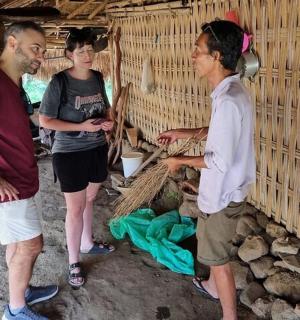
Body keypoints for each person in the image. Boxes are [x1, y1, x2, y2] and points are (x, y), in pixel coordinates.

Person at [157, 20, 255, 320]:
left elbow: (218, 160)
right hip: (230, 189)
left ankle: (229, 316)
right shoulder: (233, 91)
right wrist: (181, 133)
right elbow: (218, 135)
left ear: (216, 57)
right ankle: (212, 287)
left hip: (224, 195)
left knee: (218, 258)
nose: (192, 56)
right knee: (211, 250)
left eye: (197, 51)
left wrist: (180, 162)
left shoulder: (227, 100)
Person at [39, 27, 115, 289]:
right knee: (75, 208)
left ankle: (87, 242)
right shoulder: (59, 82)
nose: (87, 55)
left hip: (96, 148)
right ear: (69, 54)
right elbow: (45, 120)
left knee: (90, 198)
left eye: (90, 50)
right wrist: (83, 126)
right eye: (81, 51)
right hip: (69, 152)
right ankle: (73, 261)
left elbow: (105, 108)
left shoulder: (97, 76)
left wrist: (108, 122)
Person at [0, 21, 59, 320]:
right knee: (31, 245)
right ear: (12, 43)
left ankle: (18, 292)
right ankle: (16, 310)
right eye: (35, 48)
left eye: (44, 51)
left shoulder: (13, 83)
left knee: (17, 242)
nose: (41, 56)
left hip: (19, 177)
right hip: (8, 183)